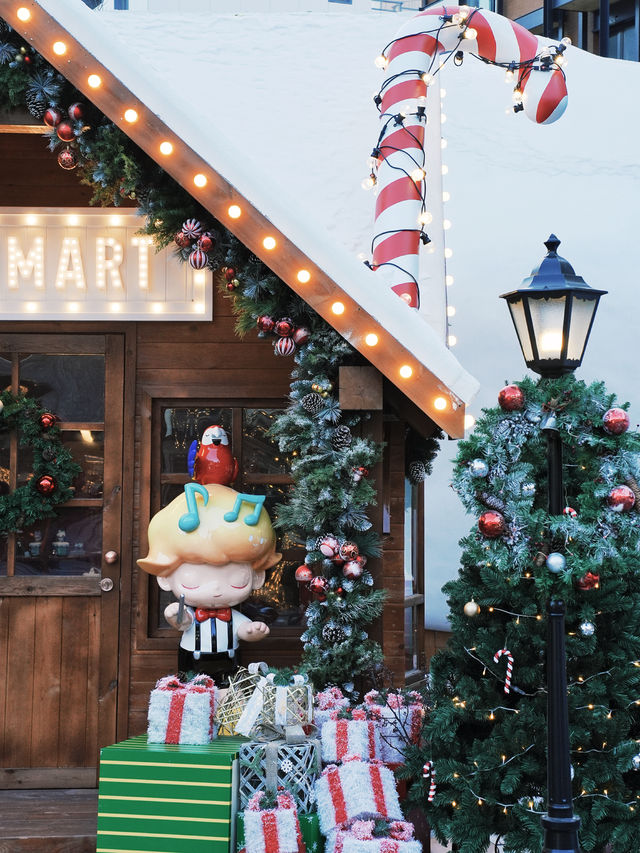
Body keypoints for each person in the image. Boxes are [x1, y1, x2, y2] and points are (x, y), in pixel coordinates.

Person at [137, 483, 281, 685]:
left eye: (236, 577)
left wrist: (251, 631)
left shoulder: (233, 617)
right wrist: (175, 616)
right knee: (191, 691)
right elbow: (184, 622)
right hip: (192, 659)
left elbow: (242, 630)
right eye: (193, 578)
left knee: (228, 691)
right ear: (164, 577)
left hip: (229, 659)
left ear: (257, 577)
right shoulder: (191, 613)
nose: (215, 588)